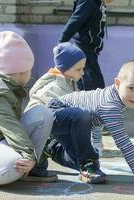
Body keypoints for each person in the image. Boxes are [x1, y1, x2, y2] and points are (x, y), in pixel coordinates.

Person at [47, 60, 134, 185]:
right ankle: (52, 145)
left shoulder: (111, 96)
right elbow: (123, 142)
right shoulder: (110, 106)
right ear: (118, 83)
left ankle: (50, 148)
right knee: (88, 159)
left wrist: (97, 143)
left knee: (91, 162)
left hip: (64, 122)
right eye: (131, 88)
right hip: (53, 115)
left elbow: (97, 120)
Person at [0, 31, 54, 185]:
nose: (31, 74)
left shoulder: (8, 83)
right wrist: (29, 156)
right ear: (21, 71)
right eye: (30, 70)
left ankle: (31, 168)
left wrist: (29, 158)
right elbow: (12, 128)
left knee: (43, 113)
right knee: (13, 166)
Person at [26, 42, 106, 184]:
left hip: (52, 127)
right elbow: (50, 115)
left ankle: (50, 148)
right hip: (40, 125)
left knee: (83, 157)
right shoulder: (52, 86)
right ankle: (87, 164)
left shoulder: (68, 81)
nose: (82, 73)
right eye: (78, 69)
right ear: (65, 68)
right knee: (81, 115)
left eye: (83, 68)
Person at [58, 0, 114, 91]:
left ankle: (83, 101)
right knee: (95, 86)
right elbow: (74, 21)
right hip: (84, 48)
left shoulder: (98, 3)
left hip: (91, 49)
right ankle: (95, 103)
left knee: (84, 83)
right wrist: (61, 43)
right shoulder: (88, 2)